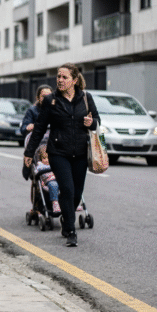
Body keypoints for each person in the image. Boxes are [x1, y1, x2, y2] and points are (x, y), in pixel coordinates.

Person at [23, 63, 99, 247]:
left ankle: (66, 217)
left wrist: (91, 122)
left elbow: (97, 123)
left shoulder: (86, 98)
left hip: (80, 153)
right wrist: (29, 152)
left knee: (77, 193)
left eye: (64, 77)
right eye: (58, 76)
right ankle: (71, 231)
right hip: (58, 153)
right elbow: (39, 128)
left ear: (74, 80)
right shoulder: (51, 100)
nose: (60, 80)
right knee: (67, 188)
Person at [34, 147, 60, 213]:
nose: (47, 160)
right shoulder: (41, 166)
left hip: (59, 180)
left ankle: (73, 203)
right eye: (44, 158)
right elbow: (36, 172)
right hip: (48, 182)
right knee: (53, 184)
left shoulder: (56, 164)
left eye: (48, 158)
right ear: (41, 159)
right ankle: (55, 203)